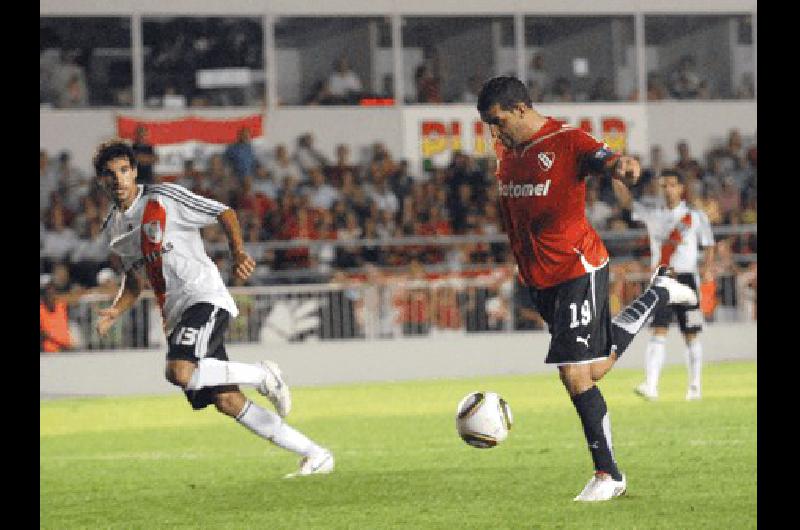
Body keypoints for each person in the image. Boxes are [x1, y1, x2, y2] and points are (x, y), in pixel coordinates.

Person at [476, 76, 697, 502]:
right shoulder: (507, 152)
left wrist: (623, 167)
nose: (494, 131)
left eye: (498, 120)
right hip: (540, 279)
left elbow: (608, 160)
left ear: (521, 108)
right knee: (594, 368)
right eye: (488, 124)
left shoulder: (567, 140)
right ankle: (660, 293)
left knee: (574, 374)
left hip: (577, 267)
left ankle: (608, 474)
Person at [92, 140, 334, 477]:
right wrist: (115, 310)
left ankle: (263, 375)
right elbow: (135, 281)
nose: (117, 179)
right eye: (109, 174)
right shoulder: (116, 228)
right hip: (176, 315)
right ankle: (315, 454)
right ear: (100, 181)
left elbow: (224, 211)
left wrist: (238, 253)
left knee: (179, 371)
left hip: (203, 296)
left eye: (123, 170)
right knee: (227, 401)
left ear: (134, 172)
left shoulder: (163, 197)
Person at [614, 169, 715, 401]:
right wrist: (614, 176)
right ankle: (651, 386)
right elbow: (628, 203)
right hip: (662, 280)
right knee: (658, 331)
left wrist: (708, 268)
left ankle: (695, 387)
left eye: (671, 185)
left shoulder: (694, 216)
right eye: (664, 185)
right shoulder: (654, 214)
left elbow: (708, 244)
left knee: (691, 333)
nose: (668, 189)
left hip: (687, 278)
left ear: (681, 188)